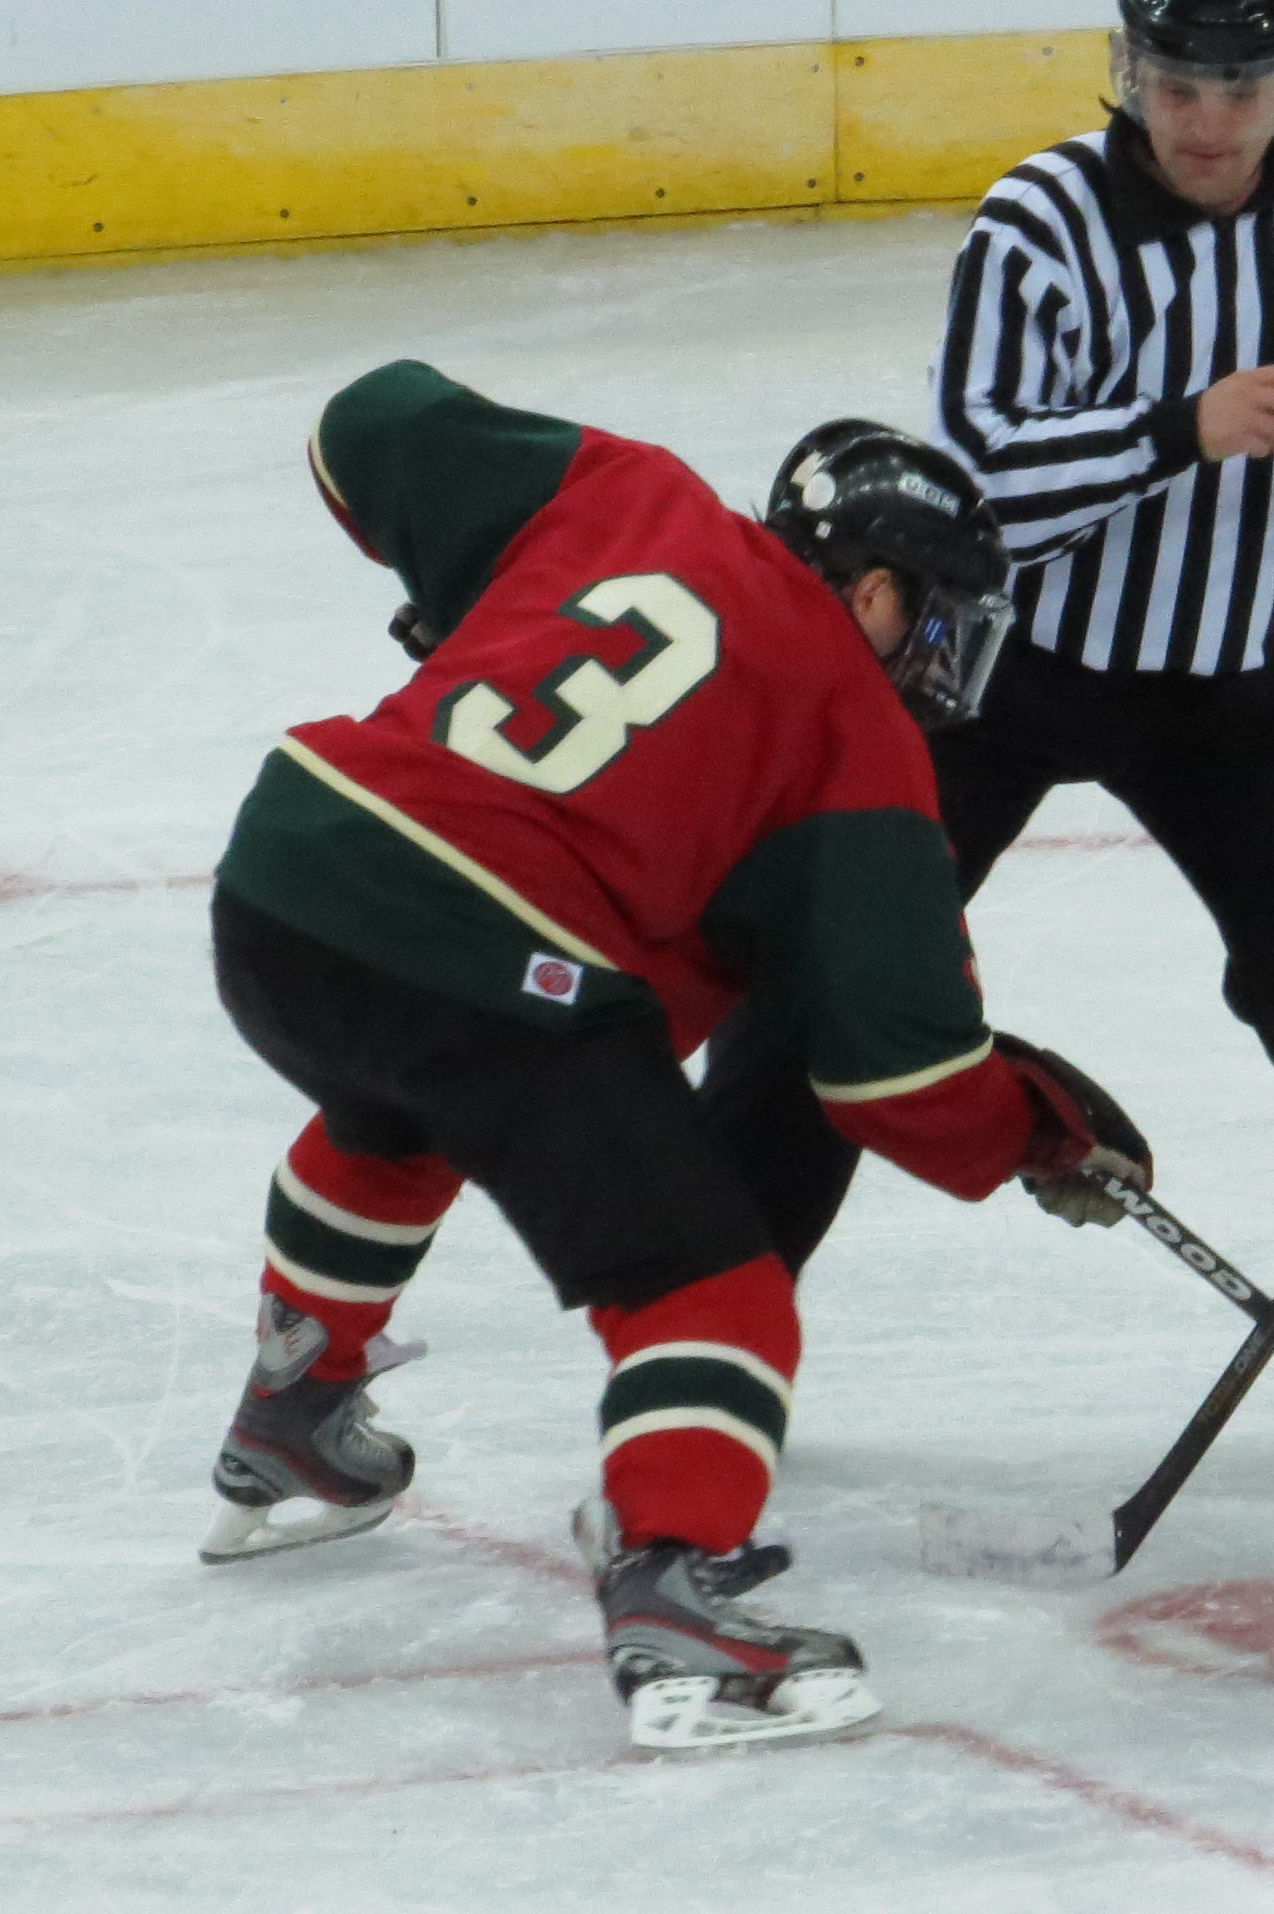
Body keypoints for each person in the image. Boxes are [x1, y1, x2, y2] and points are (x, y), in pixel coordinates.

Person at [198, 361, 1150, 1755]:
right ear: (870, 591)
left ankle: (295, 1403)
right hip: (497, 961)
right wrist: (1035, 1131)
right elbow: (898, 1081)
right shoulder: (857, 733)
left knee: (397, 1112)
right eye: (936, 611)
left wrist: (472, 588)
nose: (941, 654)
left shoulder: (630, 492)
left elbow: (371, 419)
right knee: (712, 1290)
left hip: (293, 871)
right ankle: (675, 1593)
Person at [703, 0, 1274, 1320]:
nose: (1208, 118)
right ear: (1127, 68)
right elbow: (978, 481)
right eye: (1178, 81)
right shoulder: (1039, 220)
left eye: (1243, 84)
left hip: (1244, 694)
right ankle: (706, 1319)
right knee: (828, 978)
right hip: (992, 678)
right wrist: (1173, 430)